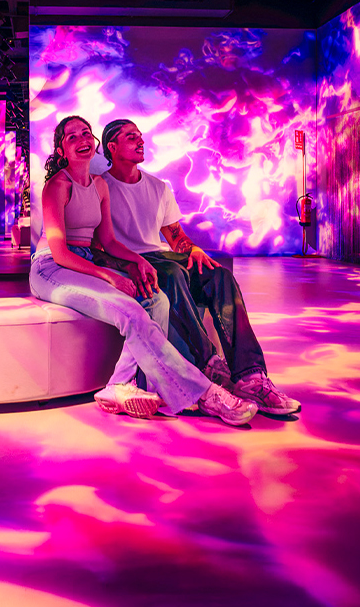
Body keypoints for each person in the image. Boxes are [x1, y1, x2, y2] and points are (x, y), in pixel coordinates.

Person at [29, 115, 257, 426]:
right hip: (52, 267)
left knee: (155, 300)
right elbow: (60, 252)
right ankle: (203, 391)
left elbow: (109, 241)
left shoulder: (99, 185)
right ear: (61, 151)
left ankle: (120, 385)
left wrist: (140, 261)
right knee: (130, 312)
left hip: (85, 260)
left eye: (86, 133)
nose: (82, 140)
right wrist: (108, 275)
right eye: (72, 137)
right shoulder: (57, 185)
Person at [97, 118, 302, 416]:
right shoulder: (100, 186)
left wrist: (192, 249)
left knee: (219, 275)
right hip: (129, 262)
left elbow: (175, 237)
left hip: (160, 257)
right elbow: (98, 244)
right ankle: (208, 364)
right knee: (172, 273)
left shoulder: (158, 187)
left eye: (140, 135)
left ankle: (251, 377)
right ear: (112, 147)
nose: (140, 140)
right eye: (131, 137)